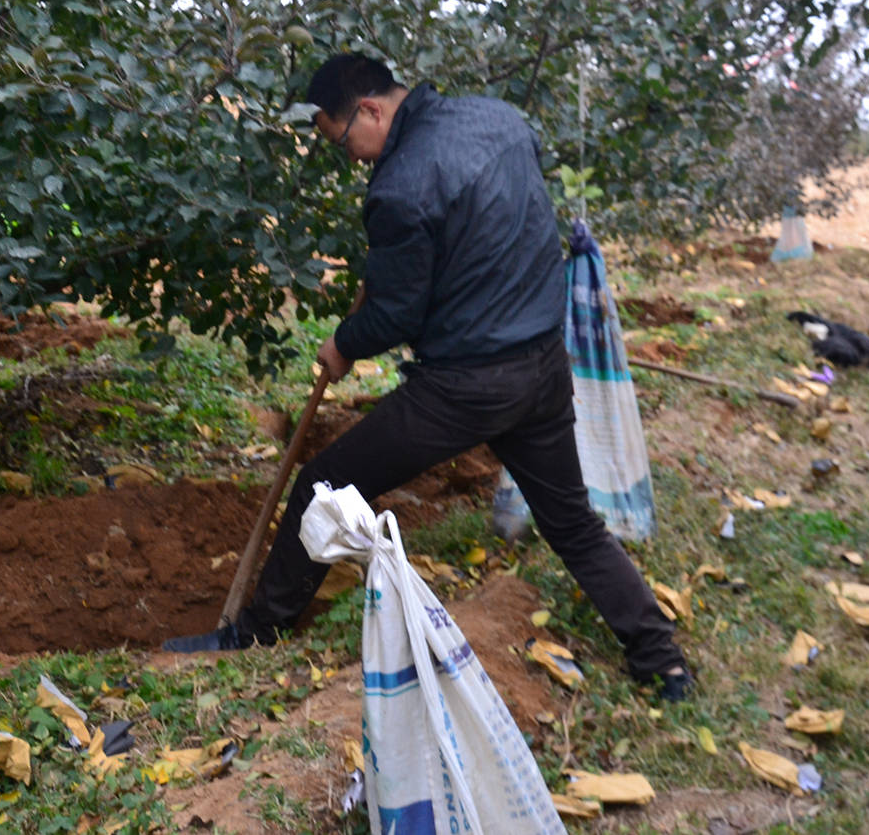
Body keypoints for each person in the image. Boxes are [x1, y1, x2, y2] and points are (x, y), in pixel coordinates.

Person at [165, 54, 693, 701]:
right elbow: (484, 231)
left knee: (322, 483)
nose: (352, 158)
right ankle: (660, 658)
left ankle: (255, 632)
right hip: (542, 366)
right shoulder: (501, 121)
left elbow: (395, 314)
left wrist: (341, 344)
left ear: (371, 110)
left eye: (342, 141)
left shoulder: (400, 184)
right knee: (572, 521)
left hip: (466, 385)